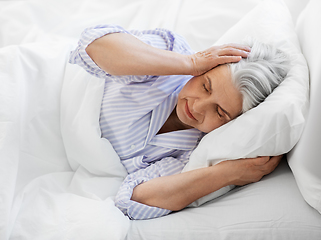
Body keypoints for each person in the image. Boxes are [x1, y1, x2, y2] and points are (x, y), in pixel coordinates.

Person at [69, 25, 290, 220]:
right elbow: (93, 46)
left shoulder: (193, 152)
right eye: (205, 86)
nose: (197, 107)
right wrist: (189, 63)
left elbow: (136, 199)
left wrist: (227, 173)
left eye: (220, 112)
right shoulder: (172, 54)